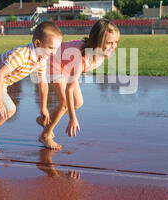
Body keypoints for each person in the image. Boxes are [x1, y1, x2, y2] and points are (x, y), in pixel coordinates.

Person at [0, 21, 63, 154]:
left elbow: (43, 83)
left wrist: (43, 108)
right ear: (38, 44)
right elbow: (0, 73)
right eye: (51, 48)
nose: (54, 53)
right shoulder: (21, 55)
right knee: (8, 111)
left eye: (56, 48)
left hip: (0, 82)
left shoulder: (41, 58)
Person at [36, 19, 120, 149]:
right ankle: (45, 135)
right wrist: (72, 118)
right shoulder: (82, 56)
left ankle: (44, 120)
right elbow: (69, 89)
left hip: (66, 68)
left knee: (77, 103)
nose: (113, 46)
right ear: (97, 42)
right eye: (109, 43)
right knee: (64, 103)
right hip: (53, 64)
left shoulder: (99, 53)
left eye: (115, 42)